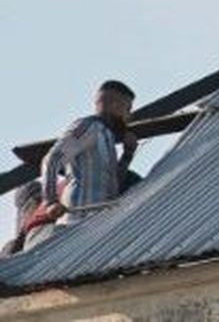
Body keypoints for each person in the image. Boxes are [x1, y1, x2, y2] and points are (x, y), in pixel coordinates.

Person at [25, 80, 139, 250]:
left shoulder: (106, 137)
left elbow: (114, 183)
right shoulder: (87, 127)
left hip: (98, 225)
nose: (128, 115)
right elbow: (52, 160)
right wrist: (50, 202)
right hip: (76, 224)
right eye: (127, 109)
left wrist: (127, 155)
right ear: (115, 105)